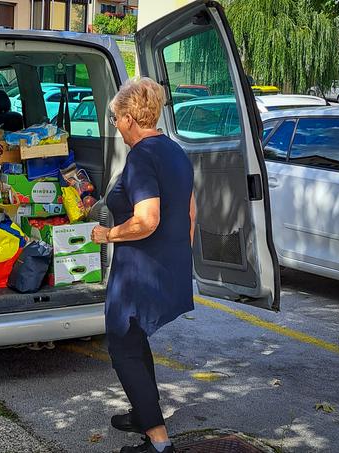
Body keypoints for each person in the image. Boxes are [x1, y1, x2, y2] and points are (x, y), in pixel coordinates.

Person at [91, 78, 196, 453]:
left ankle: (158, 442)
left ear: (132, 118)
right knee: (136, 343)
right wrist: (177, 256)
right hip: (166, 266)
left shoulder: (141, 157)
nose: (116, 126)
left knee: (122, 347)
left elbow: (147, 219)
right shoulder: (174, 150)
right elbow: (189, 212)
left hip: (138, 272)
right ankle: (143, 411)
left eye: (117, 118)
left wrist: (109, 235)